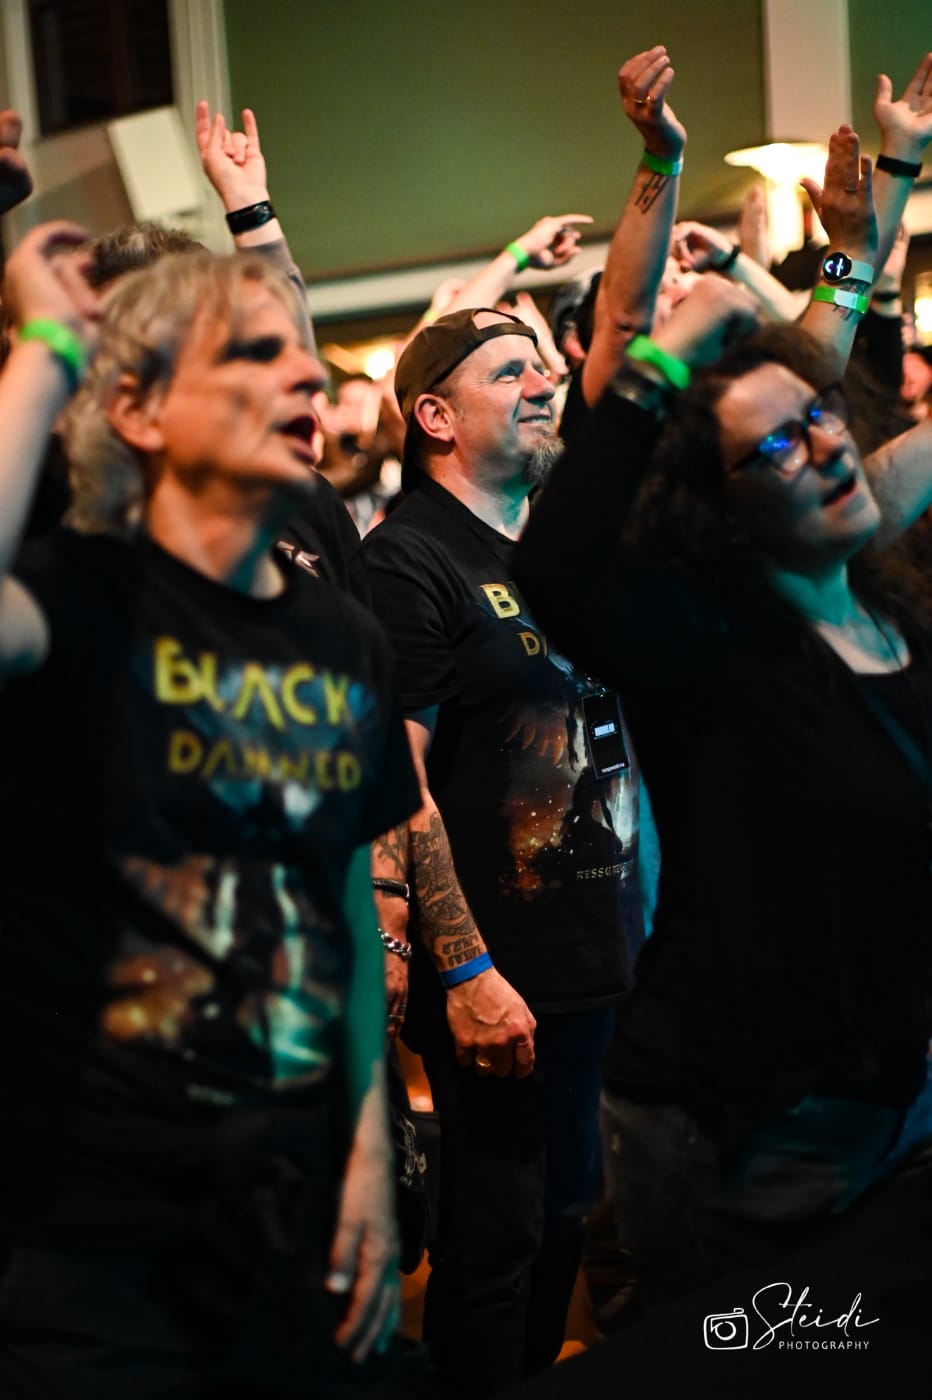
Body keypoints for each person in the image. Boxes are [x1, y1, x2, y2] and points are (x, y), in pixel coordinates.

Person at [0, 223, 426, 1398]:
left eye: (300, 350)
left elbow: (339, 902)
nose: (305, 373)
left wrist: (365, 1149)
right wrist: (47, 348)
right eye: (251, 352)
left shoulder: (340, 636)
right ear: (137, 411)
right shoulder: (78, 597)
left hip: (289, 1200)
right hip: (95, 1225)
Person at [514, 125, 932, 1305]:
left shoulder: (884, 614)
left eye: (822, 425)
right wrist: (654, 350)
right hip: (751, 1118)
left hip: (890, 1091)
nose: (822, 449)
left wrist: (862, 236)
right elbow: (563, 563)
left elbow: (813, 379)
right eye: (779, 450)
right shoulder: (707, 640)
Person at [360, 299, 645, 1396]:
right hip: (499, 972)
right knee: (497, 1243)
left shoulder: (554, 545)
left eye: (541, 365)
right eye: (508, 371)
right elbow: (394, 781)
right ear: (434, 416)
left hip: (595, 944)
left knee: (566, 1214)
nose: (542, 382)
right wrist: (467, 970)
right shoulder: (408, 560)